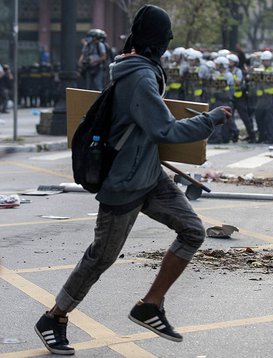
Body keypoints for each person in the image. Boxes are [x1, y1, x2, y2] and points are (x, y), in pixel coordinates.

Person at [34, 5, 231, 355]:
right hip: (124, 183)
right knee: (100, 258)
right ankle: (54, 317)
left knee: (192, 231)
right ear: (157, 41)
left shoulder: (142, 68)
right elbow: (163, 129)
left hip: (148, 175)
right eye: (166, 39)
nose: (168, 45)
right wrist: (209, 119)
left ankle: (150, 305)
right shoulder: (139, 77)